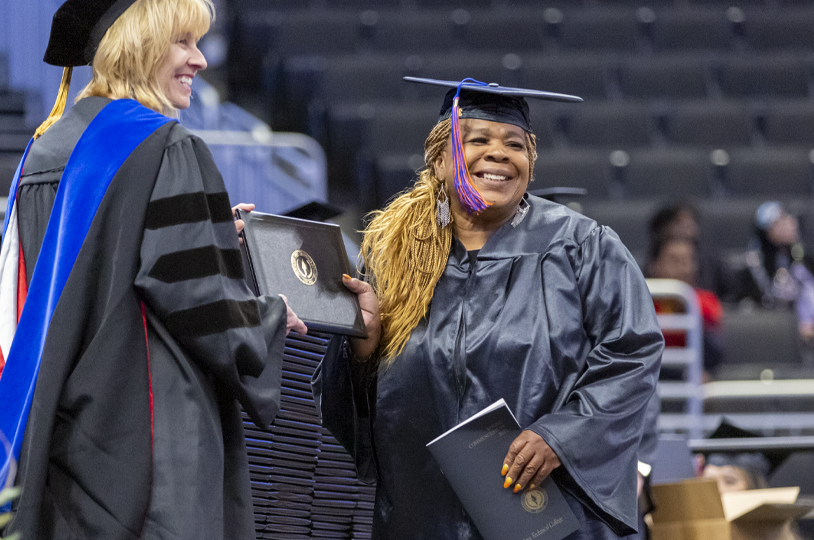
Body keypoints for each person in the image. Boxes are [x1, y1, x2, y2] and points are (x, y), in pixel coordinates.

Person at [0, 1, 306, 538]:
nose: (199, 60)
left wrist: (214, 234)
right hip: (153, 456)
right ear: (139, 43)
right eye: (183, 42)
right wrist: (269, 316)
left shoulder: (43, 150)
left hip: (64, 450)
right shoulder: (167, 149)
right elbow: (200, 300)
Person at [313, 77, 663, 540]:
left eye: (514, 144)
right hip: (422, 516)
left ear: (530, 162)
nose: (498, 154)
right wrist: (363, 351)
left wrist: (561, 437)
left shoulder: (582, 249)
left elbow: (632, 353)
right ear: (439, 160)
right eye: (477, 140)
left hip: (542, 515)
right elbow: (354, 410)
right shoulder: (393, 257)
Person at [733, 201, 814, 344]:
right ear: (766, 230)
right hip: (774, 337)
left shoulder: (806, 262)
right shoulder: (753, 268)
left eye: (788, 218)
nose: (789, 223)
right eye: (780, 221)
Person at [645, 234, 724, 378]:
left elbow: (714, 357)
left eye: (688, 261)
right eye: (675, 261)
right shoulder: (639, 307)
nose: (684, 269)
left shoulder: (706, 304)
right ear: (654, 264)